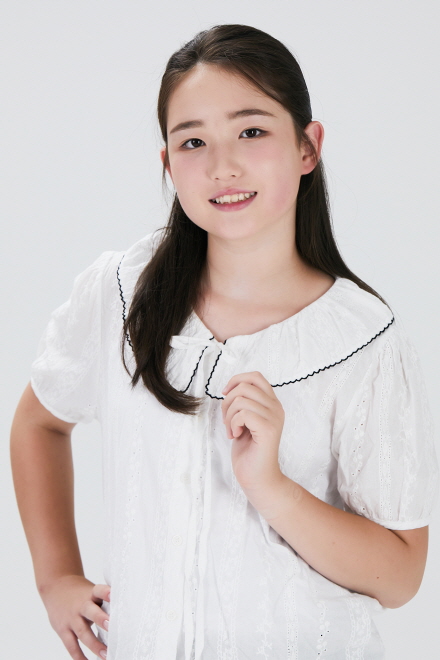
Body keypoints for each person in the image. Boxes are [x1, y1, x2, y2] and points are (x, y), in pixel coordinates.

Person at [10, 23, 439, 660]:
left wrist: (272, 487)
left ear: (308, 147)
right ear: (167, 164)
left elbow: (401, 576)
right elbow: (39, 422)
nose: (222, 166)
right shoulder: (119, 294)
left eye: (252, 131)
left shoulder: (363, 340)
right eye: (193, 141)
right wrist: (55, 578)